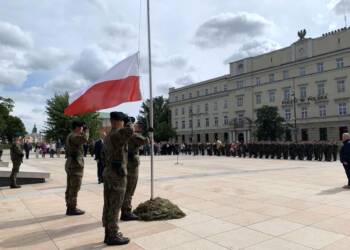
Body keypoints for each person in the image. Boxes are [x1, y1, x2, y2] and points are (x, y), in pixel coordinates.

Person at [102, 112, 133, 245]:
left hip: (110, 172)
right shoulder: (116, 134)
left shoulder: (109, 135)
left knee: (109, 204)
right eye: (123, 121)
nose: (124, 124)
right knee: (115, 205)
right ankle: (112, 235)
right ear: (117, 122)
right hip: (116, 175)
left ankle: (109, 232)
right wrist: (130, 121)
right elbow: (130, 131)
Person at [121, 121, 150, 221]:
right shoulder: (133, 136)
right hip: (132, 165)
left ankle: (124, 210)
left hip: (125, 163)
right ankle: (126, 212)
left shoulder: (121, 134)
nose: (135, 127)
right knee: (130, 189)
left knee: (126, 189)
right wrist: (148, 133)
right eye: (133, 125)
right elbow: (146, 141)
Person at [64, 121, 88, 216]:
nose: (82, 129)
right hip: (75, 165)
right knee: (74, 187)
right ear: (78, 128)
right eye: (82, 127)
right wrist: (86, 131)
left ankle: (70, 206)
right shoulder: (74, 136)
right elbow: (84, 139)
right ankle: (71, 208)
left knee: (70, 187)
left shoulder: (71, 135)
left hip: (72, 164)